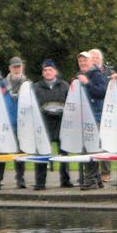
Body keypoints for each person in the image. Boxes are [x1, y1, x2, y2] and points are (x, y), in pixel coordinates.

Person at [33, 59, 71, 190]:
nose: (47, 72)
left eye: (50, 69)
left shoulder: (65, 85)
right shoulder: (36, 87)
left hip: (61, 123)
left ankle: (65, 180)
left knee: (64, 153)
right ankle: (40, 181)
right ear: (42, 73)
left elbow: (70, 104)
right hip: (44, 124)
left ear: (55, 71)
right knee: (42, 153)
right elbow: (33, 106)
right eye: (45, 70)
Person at [0, 56, 28, 190]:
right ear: (10, 68)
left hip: (21, 124)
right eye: (14, 67)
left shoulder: (27, 84)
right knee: (1, 153)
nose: (17, 69)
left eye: (19, 67)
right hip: (4, 124)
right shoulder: (1, 84)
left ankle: (20, 179)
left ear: (22, 68)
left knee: (20, 153)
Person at [76, 51, 107, 190]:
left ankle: (90, 181)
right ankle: (97, 179)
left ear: (91, 62)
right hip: (84, 118)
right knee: (87, 148)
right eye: (80, 61)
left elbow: (102, 92)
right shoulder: (81, 76)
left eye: (85, 61)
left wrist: (87, 83)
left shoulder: (96, 75)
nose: (82, 63)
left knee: (90, 149)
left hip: (95, 117)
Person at [89, 48, 117, 183]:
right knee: (90, 144)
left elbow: (116, 90)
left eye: (96, 57)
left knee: (104, 143)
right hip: (90, 112)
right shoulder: (85, 72)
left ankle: (106, 172)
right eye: (92, 57)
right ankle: (91, 173)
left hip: (106, 113)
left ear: (102, 59)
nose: (94, 59)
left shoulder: (109, 73)